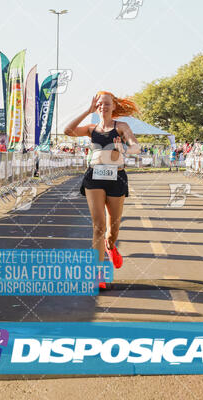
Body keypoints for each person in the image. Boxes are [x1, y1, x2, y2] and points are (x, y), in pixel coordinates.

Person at [64, 92, 140, 290]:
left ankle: (111, 246)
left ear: (114, 106)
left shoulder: (121, 127)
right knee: (98, 225)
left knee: (112, 230)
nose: (102, 107)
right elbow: (68, 130)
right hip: (95, 177)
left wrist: (124, 150)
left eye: (106, 104)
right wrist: (86, 111)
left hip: (117, 177)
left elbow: (135, 147)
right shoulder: (91, 129)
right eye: (99, 104)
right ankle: (96, 273)